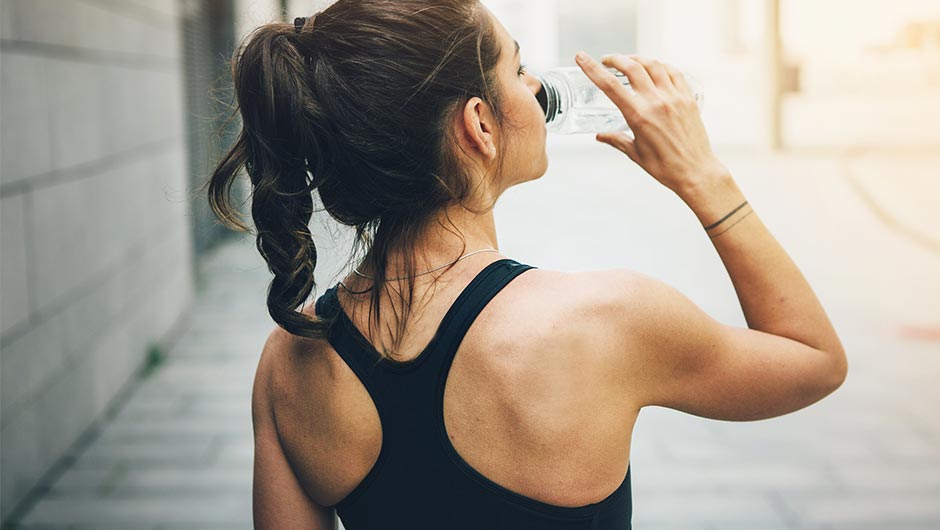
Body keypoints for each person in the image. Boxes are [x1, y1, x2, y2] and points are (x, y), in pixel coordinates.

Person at [204, 1, 848, 528]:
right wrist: (703, 176)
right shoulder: (601, 322)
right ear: (479, 125)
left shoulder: (290, 359)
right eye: (518, 69)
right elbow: (812, 360)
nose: (539, 87)